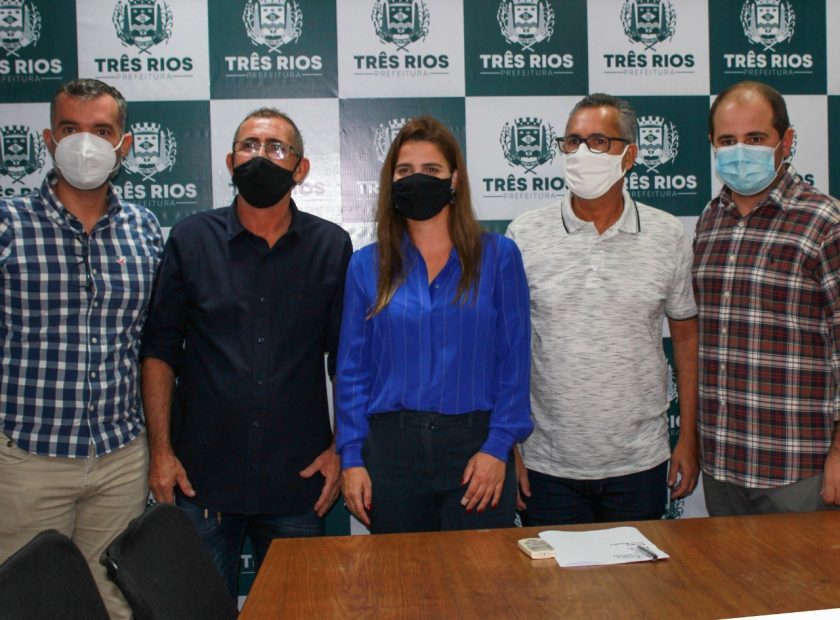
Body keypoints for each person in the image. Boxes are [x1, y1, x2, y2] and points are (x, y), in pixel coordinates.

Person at [140, 108, 352, 596]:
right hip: (200, 479)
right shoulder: (191, 239)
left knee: (298, 609)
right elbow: (159, 350)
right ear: (230, 161)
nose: (261, 156)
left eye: (276, 148)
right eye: (249, 146)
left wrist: (341, 448)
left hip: (297, 480)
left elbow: (347, 360)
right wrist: (161, 452)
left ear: (301, 168)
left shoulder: (330, 246)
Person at [0, 78, 162, 619]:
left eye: (101, 130)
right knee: (30, 602)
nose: (85, 143)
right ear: (49, 140)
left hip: (120, 456)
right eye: (70, 129)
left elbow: (153, 338)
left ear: (124, 145)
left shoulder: (144, 229)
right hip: (28, 457)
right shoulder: (8, 224)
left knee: (117, 603)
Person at [506, 93, 699, 526]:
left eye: (598, 141)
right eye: (573, 142)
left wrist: (688, 437)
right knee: (551, 573)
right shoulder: (524, 234)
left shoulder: (668, 235)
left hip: (640, 461)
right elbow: (506, 349)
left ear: (629, 156)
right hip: (546, 463)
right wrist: (510, 449)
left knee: (637, 572)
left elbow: (686, 340)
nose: (582, 153)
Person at [337, 116, 533, 533]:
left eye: (431, 169)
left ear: (454, 179)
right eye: (405, 170)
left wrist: (498, 447)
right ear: (391, 182)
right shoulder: (365, 265)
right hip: (391, 455)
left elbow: (514, 362)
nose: (417, 179)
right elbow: (353, 371)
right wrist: (351, 457)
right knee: (402, 576)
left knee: (479, 577)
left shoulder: (499, 257)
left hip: (476, 450)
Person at [693, 81, 840, 515]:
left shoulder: (825, 223)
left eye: (755, 138)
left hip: (800, 468)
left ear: (786, 141)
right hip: (722, 465)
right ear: (712, 144)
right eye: (727, 140)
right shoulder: (710, 221)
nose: (740, 151)